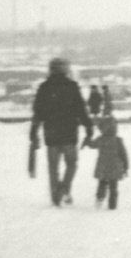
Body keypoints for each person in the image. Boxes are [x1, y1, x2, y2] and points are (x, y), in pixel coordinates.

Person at [29, 57, 94, 207]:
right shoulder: (72, 86)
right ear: (65, 69)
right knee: (71, 164)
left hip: (51, 134)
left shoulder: (44, 88)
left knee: (53, 168)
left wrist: (34, 132)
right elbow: (81, 110)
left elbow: (38, 112)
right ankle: (64, 188)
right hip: (69, 134)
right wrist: (89, 128)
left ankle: (56, 197)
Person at [90, 116, 129, 210]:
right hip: (114, 169)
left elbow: (92, 145)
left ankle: (100, 198)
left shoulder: (101, 139)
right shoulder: (118, 140)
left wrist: (87, 141)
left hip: (103, 168)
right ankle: (112, 205)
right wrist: (126, 166)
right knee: (113, 187)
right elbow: (124, 154)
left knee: (102, 184)